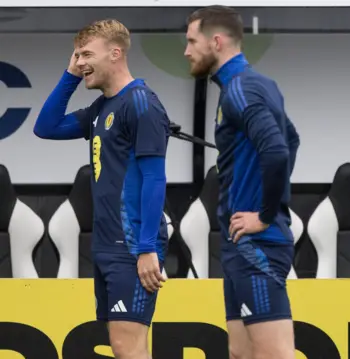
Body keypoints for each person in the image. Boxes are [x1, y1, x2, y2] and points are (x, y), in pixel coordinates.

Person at [33, 19, 170, 359]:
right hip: (106, 245)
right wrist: (70, 75)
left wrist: (146, 248)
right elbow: (45, 127)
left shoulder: (141, 103)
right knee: (125, 346)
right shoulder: (101, 107)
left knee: (128, 348)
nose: (80, 63)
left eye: (86, 55)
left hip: (133, 244)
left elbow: (155, 179)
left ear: (115, 52)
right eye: (76, 56)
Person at [183, 5, 300, 359]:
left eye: (191, 41)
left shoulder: (240, 89)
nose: (186, 51)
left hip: (257, 245)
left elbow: (278, 150)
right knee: (239, 353)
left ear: (216, 41)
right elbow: (291, 140)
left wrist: (265, 214)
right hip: (241, 247)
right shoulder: (252, 85)